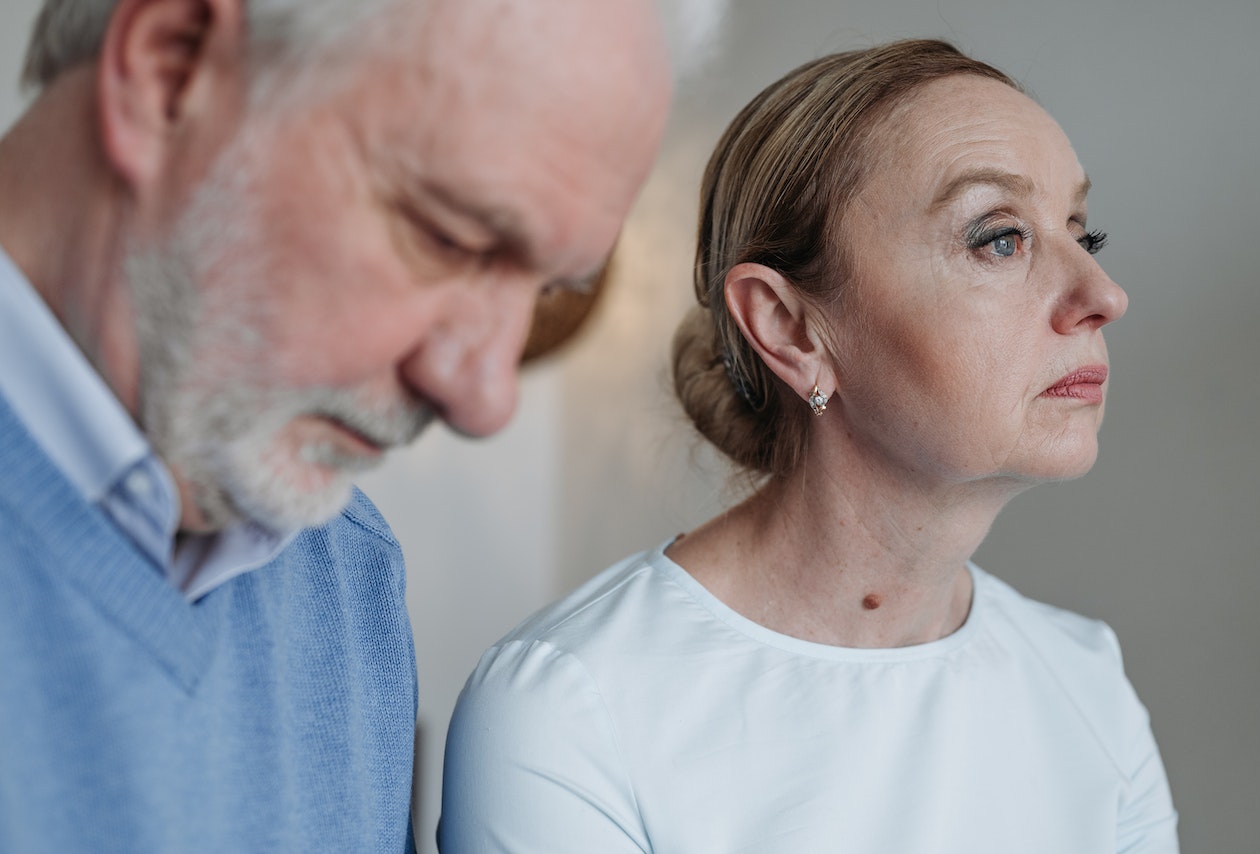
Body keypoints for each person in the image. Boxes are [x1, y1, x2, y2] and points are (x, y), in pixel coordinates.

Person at [439, 39, 1180, 853]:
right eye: (997, 238)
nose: (1101, 295)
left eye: (1084, 233)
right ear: (788, 328)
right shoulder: (571, 708)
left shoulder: (1083, 680)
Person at [0, 0, 670, 849]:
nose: (485, 399)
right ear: (170, 69)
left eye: (544, 290)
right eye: (450, 237)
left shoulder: (347, 578)